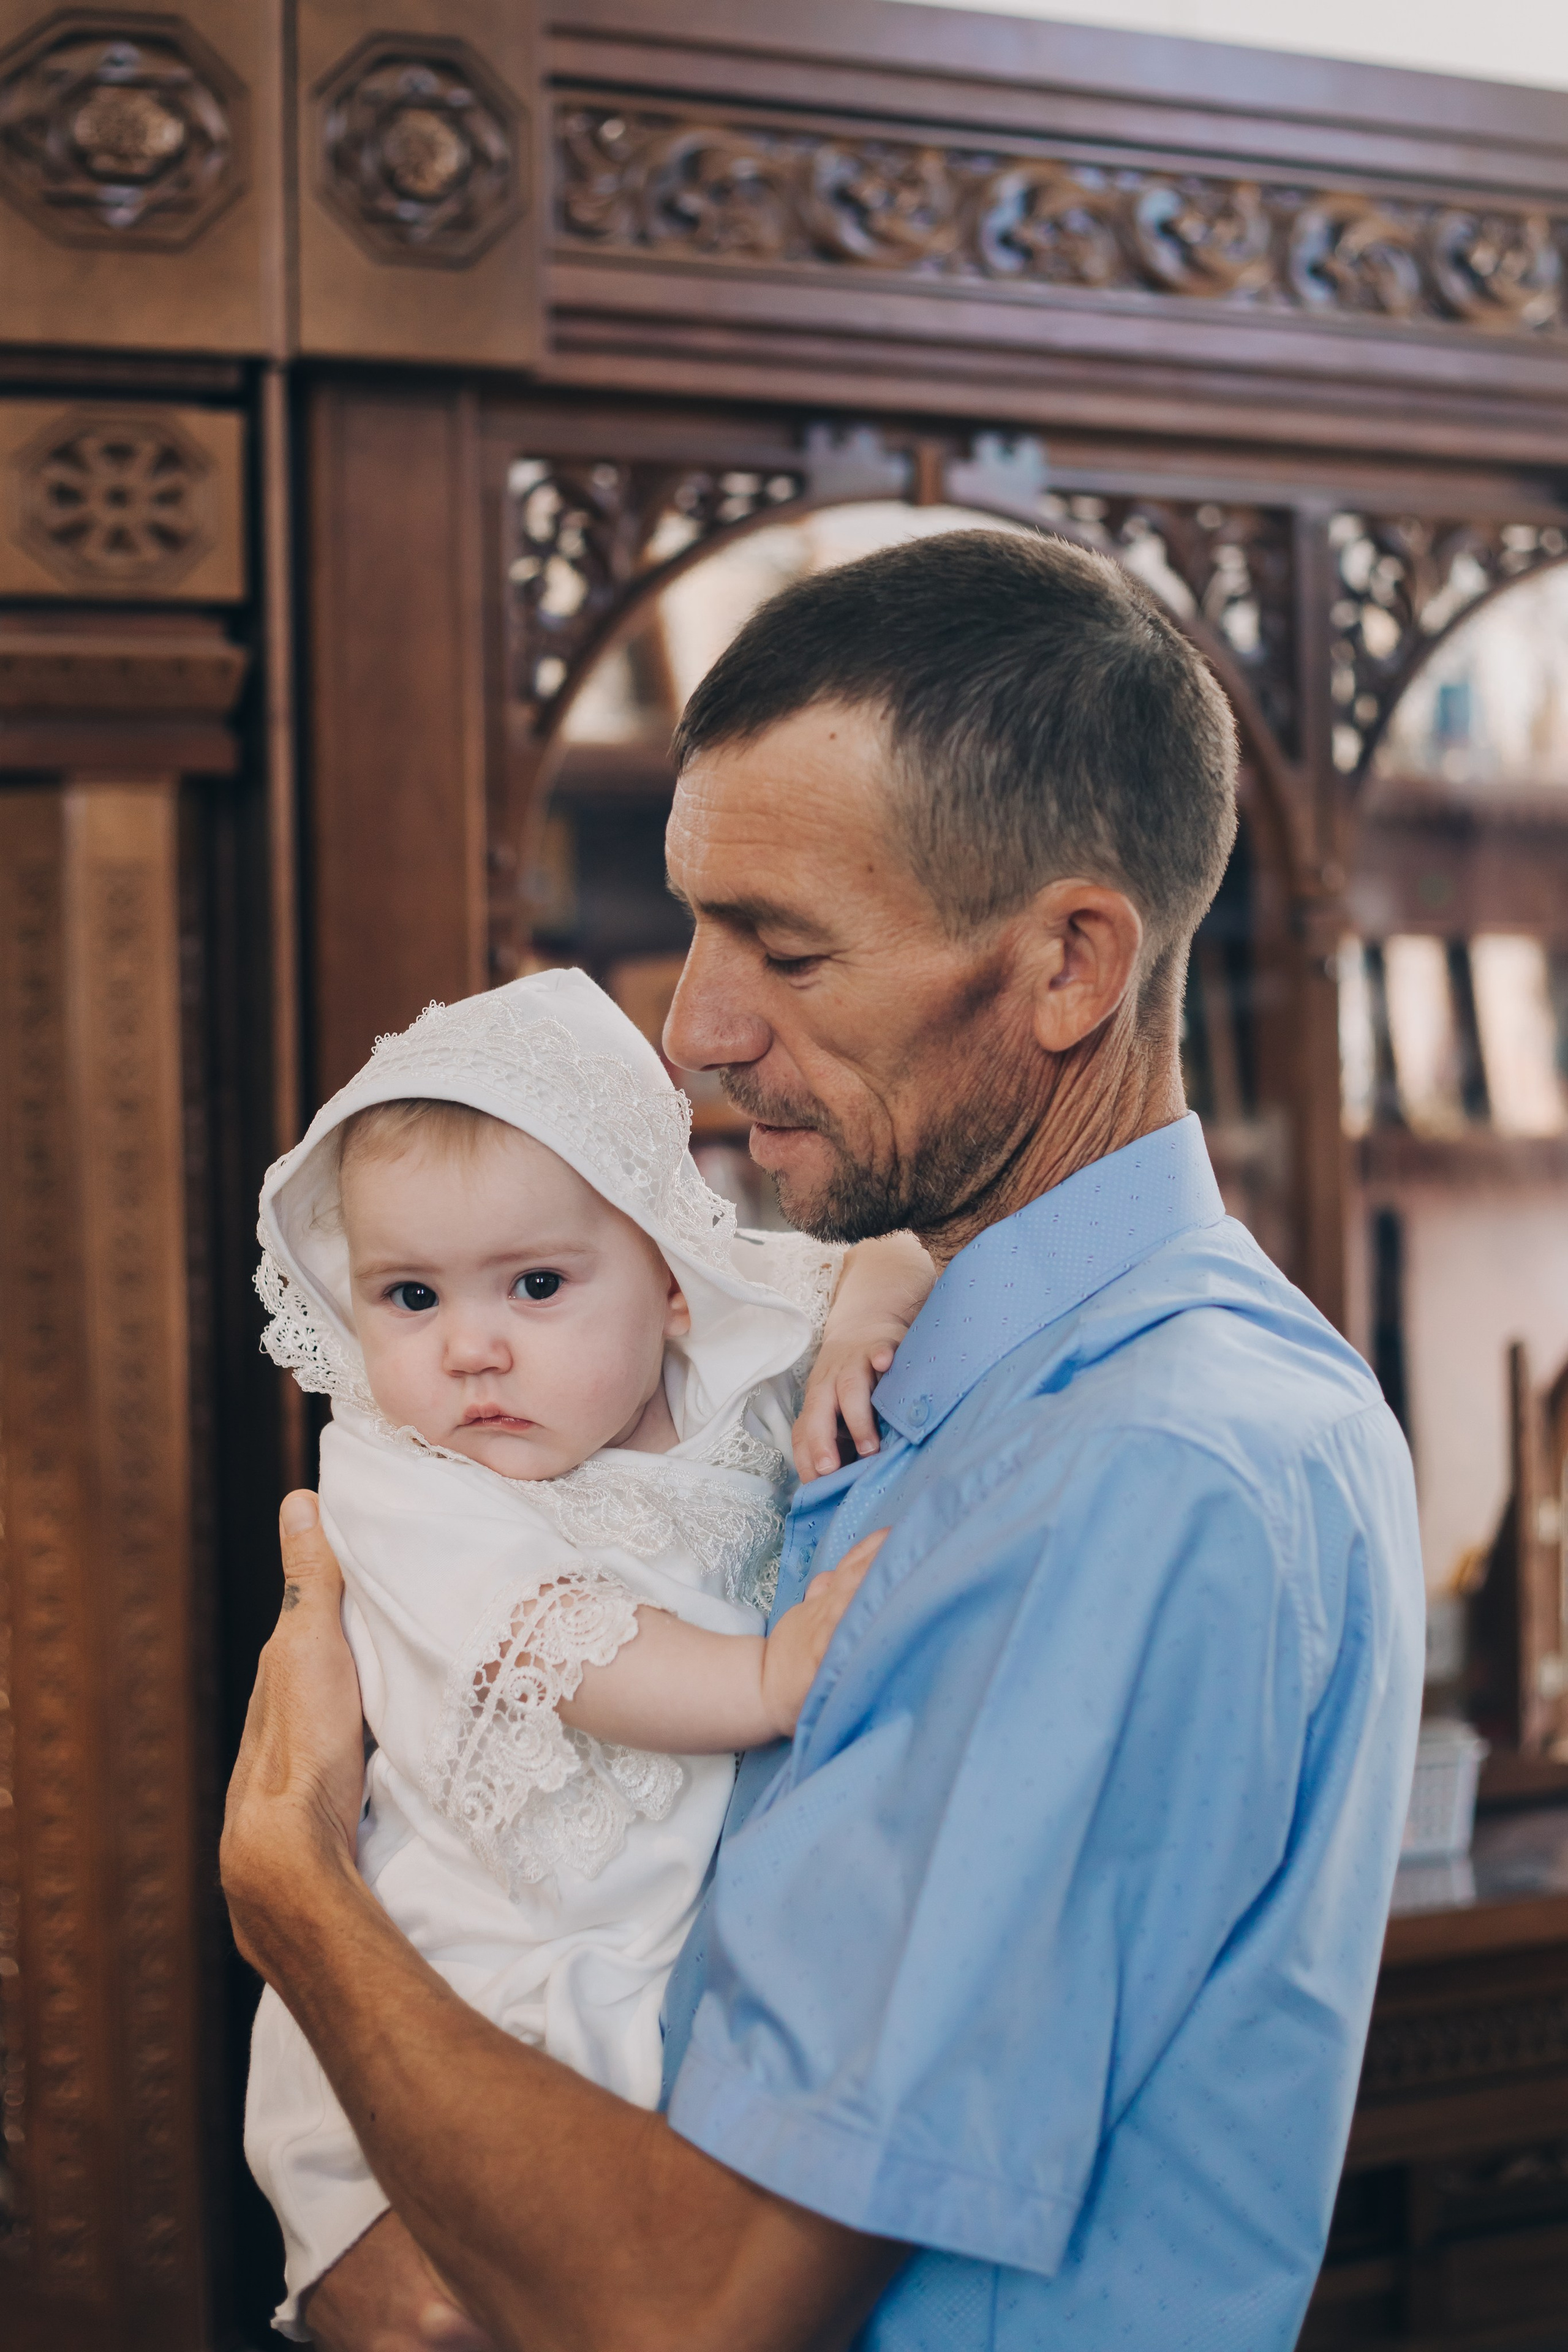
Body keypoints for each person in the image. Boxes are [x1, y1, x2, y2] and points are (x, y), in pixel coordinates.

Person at [223, 529, 1424, 2352]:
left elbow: (699, 2313)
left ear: (1069, 968)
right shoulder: (957, 1358)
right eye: (697, 925)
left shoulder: (1138, 1464)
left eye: (784, 949)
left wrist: (293, 1884)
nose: (693, 1032)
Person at [242, 968, 931, 2331]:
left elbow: (908, 1249)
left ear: (671, 1277)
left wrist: (857, 1316)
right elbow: (554, 1646)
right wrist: (764, 1679)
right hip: (468, 1972)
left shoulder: (725, 1371)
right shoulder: (399, 1479)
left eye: (536, 1284)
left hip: (660, 1965)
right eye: (409, 1297)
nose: (471, 1350)